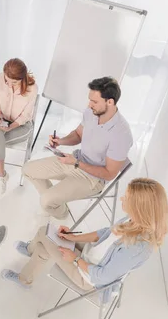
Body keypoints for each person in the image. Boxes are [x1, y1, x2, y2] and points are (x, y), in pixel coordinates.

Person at [1, 178, 168, 292]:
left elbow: (103, 276)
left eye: (127, 198)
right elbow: (104, 233)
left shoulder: (137, 248)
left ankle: (28, 261)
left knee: (43, 234)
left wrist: (75, 259)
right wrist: (73, 237)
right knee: (48, 240)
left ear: (139, 207)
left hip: (88, 276)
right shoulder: (134, 219)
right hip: (90, 254)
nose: (122, 199)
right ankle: (28, 267)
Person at [23, 76, 133, 218]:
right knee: (27, 169)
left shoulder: (121, 134)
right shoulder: (91, 112)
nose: (89, 105)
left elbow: (109, 174)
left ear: (110, 102)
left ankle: (61, 214)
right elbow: (78, 134)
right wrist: (60, 141)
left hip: (92, 178)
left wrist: (76, 163)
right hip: (76, 160)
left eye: (94, 101)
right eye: (89, 99)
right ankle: (55, 203)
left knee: (45, 201)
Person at [0, 58, 38, 194]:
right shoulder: (0, 78)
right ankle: (1, 174)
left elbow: (26, 116)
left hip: (21, 126)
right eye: (7, 81)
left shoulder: (32, 87)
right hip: (3, 121)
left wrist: (11, 127)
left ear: (23, 78)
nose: (9, 85)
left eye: (14, 82)